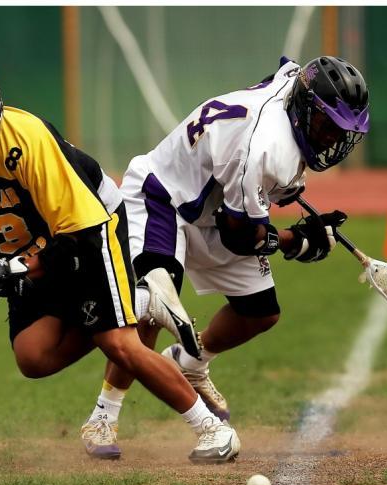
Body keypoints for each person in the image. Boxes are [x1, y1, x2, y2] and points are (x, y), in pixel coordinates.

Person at [0, 53, 239, 463]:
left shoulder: (27, 142)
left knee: (117, 342)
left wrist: (5, 271)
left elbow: (77, 236)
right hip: (29, 247)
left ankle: (213, 430)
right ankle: (139, 302)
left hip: (91, 227)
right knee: (33, 356)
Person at [78, 55, 369, 458]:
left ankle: (190, 362)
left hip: (212, 207)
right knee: (150, 311)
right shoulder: (266, 148)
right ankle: (103, 417)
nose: (330, 141)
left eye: (340, 132)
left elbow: (283, 70)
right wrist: (298, 242)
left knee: (260, 311)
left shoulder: (292, 88)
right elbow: (242, 237)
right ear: (305, 110)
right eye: (325, 127)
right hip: (164, 198)